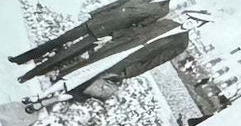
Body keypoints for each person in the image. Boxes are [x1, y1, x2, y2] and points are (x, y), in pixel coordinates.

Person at [10, 0, 195, 82]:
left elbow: (137, 27)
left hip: (105, 32)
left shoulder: (162, 10)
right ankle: (21, 59)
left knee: (67, 54)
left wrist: (112, 37)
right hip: (98, 21)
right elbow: (118, 4)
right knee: (58, 41)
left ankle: (30, 75)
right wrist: (93, 13)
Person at [21, 22, 204, 112]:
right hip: (115, 50)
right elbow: (134, 30)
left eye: (196, 23)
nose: (190, 22)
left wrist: (128, 72)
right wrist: (112, 36)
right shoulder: (167, 23)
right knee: (76, 74)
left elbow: (156, 61)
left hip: (126, 64)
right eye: (191, 18)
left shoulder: (181, 43)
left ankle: (42, 103)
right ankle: (39, 97)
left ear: (197, 26)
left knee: (83, 89)